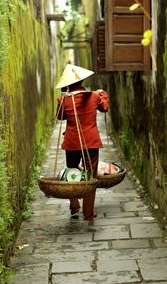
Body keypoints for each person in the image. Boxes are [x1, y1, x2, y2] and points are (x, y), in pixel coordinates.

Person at [55, 64, 108, 221]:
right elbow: (104, 108)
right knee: (89, 175)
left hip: (71, 142)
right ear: (81, 82)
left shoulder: (63, 100)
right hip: (90, 141)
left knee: (71, 172)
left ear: (67, 85)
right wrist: (103, 94)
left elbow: (61, 117)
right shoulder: (93, 97)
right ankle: (88, 213)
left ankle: (74, 205)